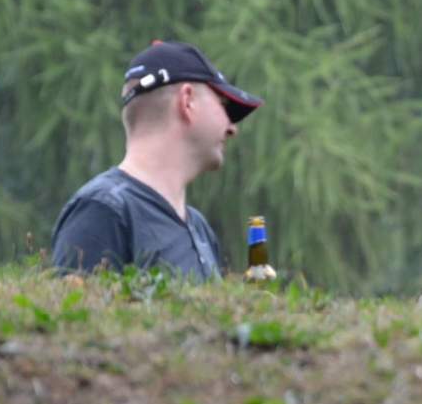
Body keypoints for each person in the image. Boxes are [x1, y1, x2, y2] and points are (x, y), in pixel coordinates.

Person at [49, 40, 263, 279]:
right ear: (187, 101)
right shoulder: (103, 211)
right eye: (225, 107)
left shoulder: (199, 228)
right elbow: (75, 303)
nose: (232, 128)